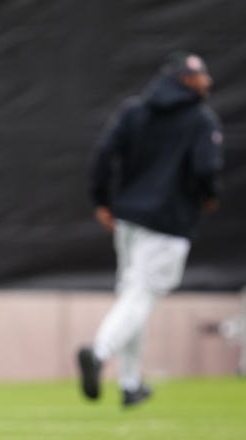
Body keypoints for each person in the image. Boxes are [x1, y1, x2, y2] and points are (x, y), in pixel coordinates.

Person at [78, 51, 224, 407]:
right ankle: (98, 352)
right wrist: (209, 196)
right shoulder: (201, 119)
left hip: (128, 219)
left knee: (132, 295)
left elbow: (103, 154)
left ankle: (131, 385)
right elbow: (206, 168)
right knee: (141, 296)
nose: (207, 83)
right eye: (201, 77)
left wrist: (101, 200)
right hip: (169, 223)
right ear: (187, 81)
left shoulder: (134, 110)